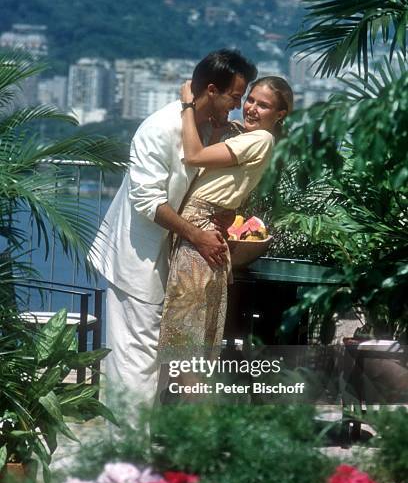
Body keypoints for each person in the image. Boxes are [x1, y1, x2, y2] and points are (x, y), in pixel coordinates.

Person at [88, 49, 257, 410]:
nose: (237, 106)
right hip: (137, 257)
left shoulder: (215, 131)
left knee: (165, 359)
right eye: (234, 97)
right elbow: (147, 202)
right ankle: (129, 456)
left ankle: (150, 448)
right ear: (211, 90)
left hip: (175, 260)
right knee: (137, 363)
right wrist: (198, 235)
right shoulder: (158, 128)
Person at [158, 76, 294, 376]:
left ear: (280, 114)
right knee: (190, 339)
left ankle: (183, 418)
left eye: (264, 105)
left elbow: (193, 155)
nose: (251, 109)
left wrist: (188, 105)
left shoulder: (260, 139)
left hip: (199, 232)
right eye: (250, 100)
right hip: (203, 226)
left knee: (185, 342)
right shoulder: (248, 137)